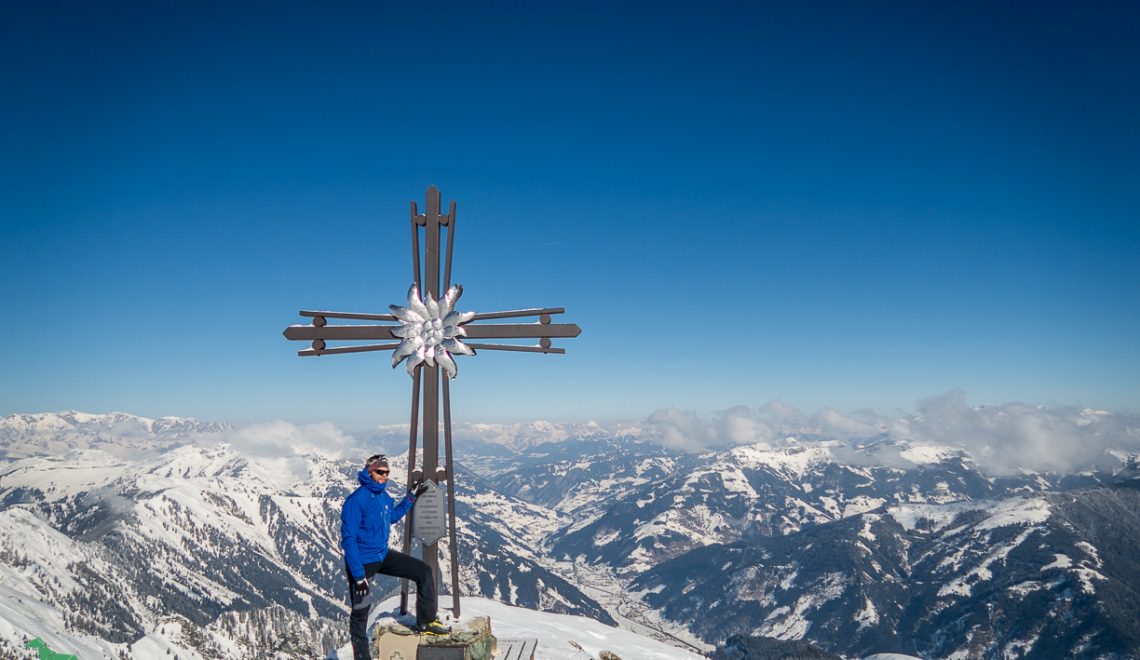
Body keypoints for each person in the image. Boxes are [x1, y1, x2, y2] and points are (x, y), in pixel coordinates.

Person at [341, 454, 450, 659]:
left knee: (423, 572)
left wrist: (411, 497)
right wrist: (358, 576)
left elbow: (391, 517)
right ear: (369, 472)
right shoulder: (356, 500)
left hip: (381, 556)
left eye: (387, 472)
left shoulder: (383, 497)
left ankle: (426, 620)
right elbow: (349, 540)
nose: (384, 476)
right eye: (380, 472)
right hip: (363, 563)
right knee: (360, 614)